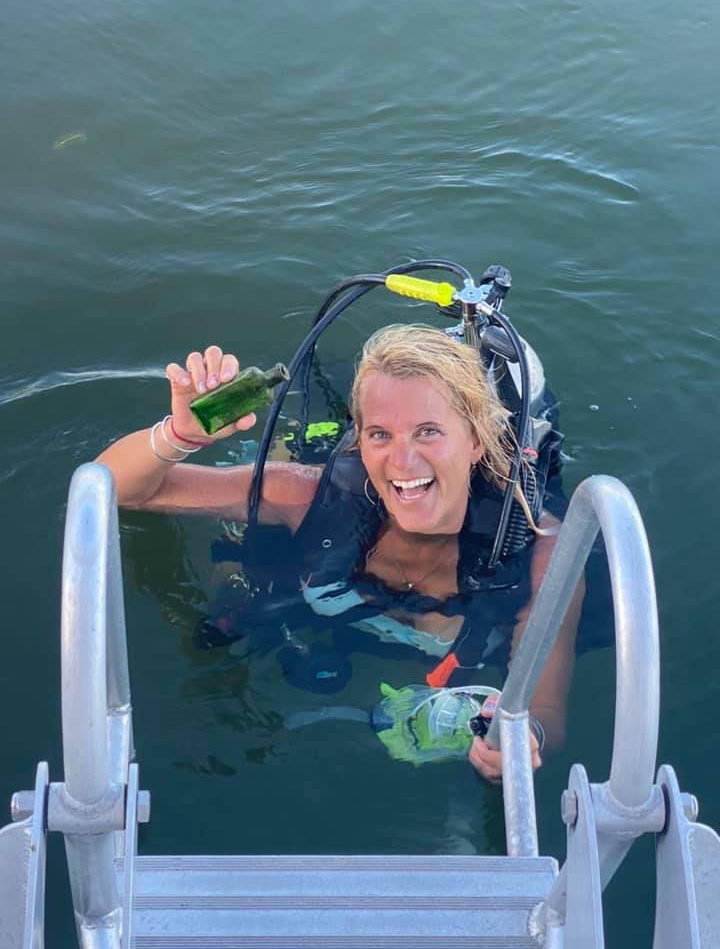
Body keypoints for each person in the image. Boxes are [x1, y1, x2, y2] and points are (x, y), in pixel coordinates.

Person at [96, 324, 583, 783]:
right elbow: (116, 490)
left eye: (428, 431)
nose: (402, 460)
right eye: (380, 435)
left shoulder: (538, 551)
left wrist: (517, 743)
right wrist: (179, 437)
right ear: (360, 440)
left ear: (476, 442)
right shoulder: (306, 495)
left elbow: (544, 713)